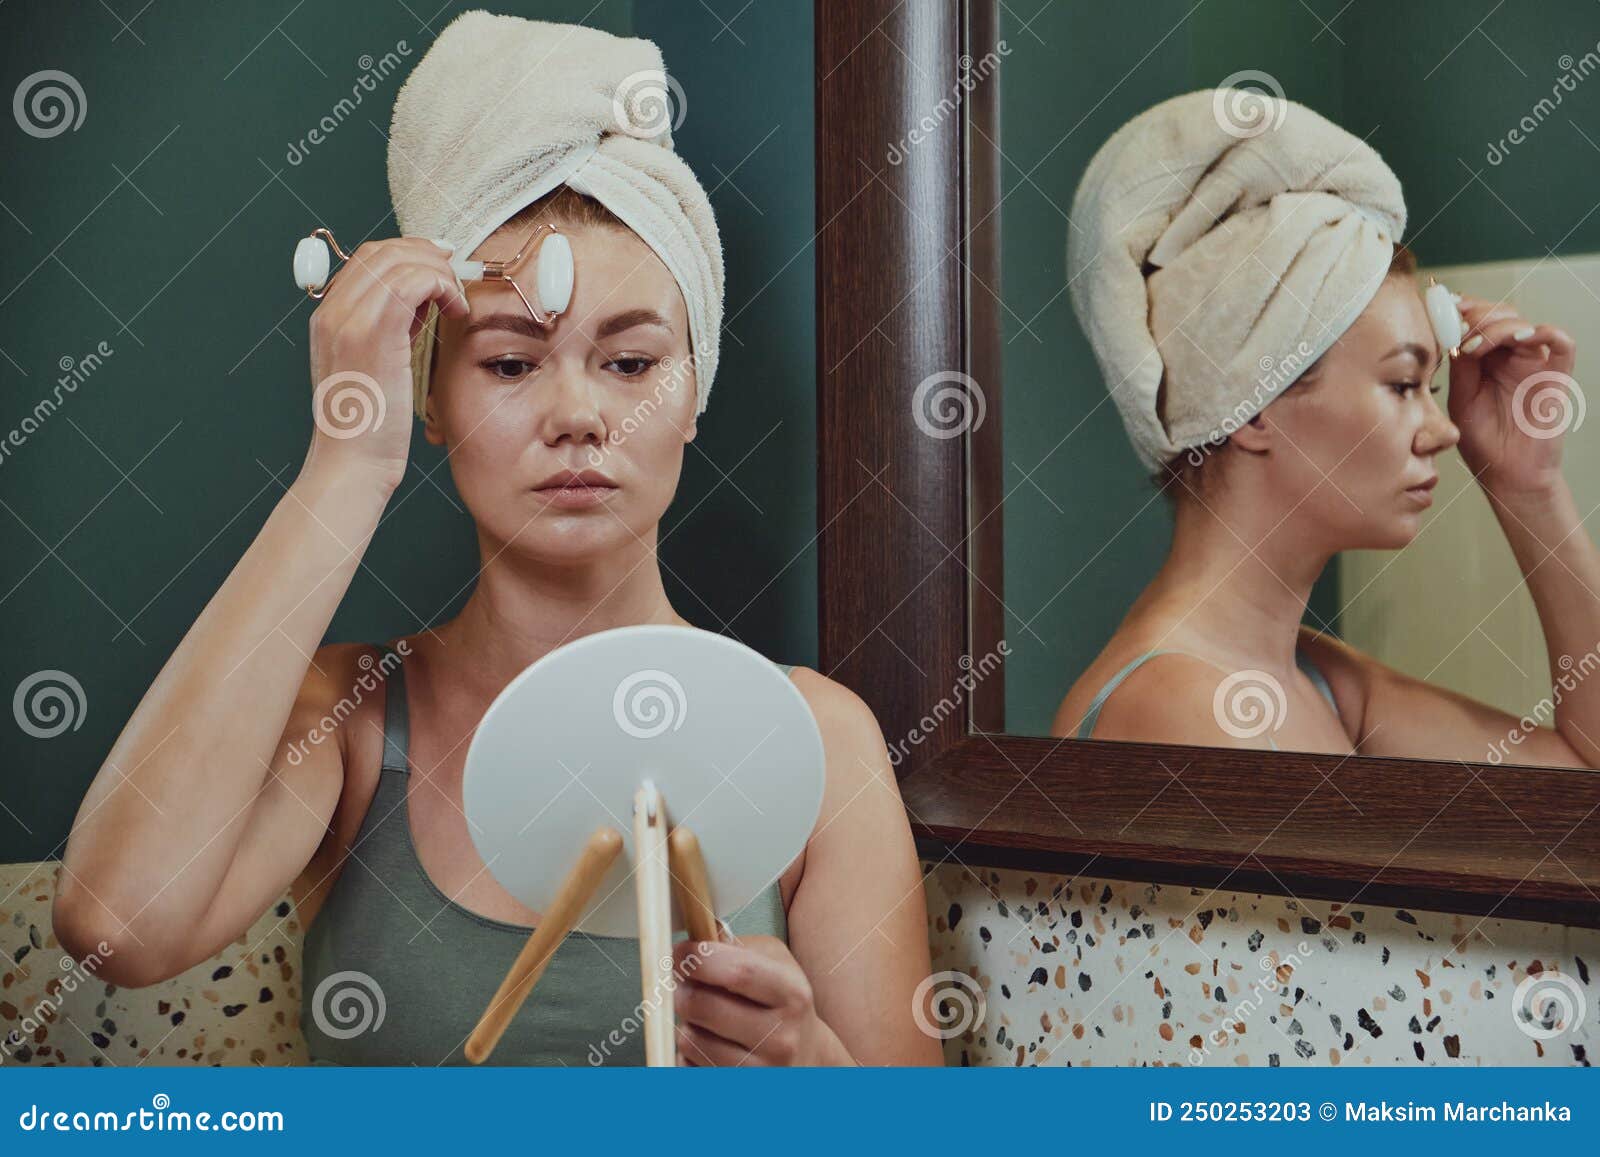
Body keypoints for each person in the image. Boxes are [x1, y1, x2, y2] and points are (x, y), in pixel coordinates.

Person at [54, 13, 941, 1067]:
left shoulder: (816, 740)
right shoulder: (350, 724)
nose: (577, 414)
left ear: (693, 390)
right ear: (429, 397)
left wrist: (805, 1068)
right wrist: (347, 463)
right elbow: (114, 924)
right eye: (511, 364)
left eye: (630, 362)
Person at [1052, 89, 1596, 768]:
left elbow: (1583, 781)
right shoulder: (1181, 706)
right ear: (1251, 405)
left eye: (1430, 389)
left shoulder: (1320, 682)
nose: (1444, 430)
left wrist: (1529, 487)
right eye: (1403, 385)